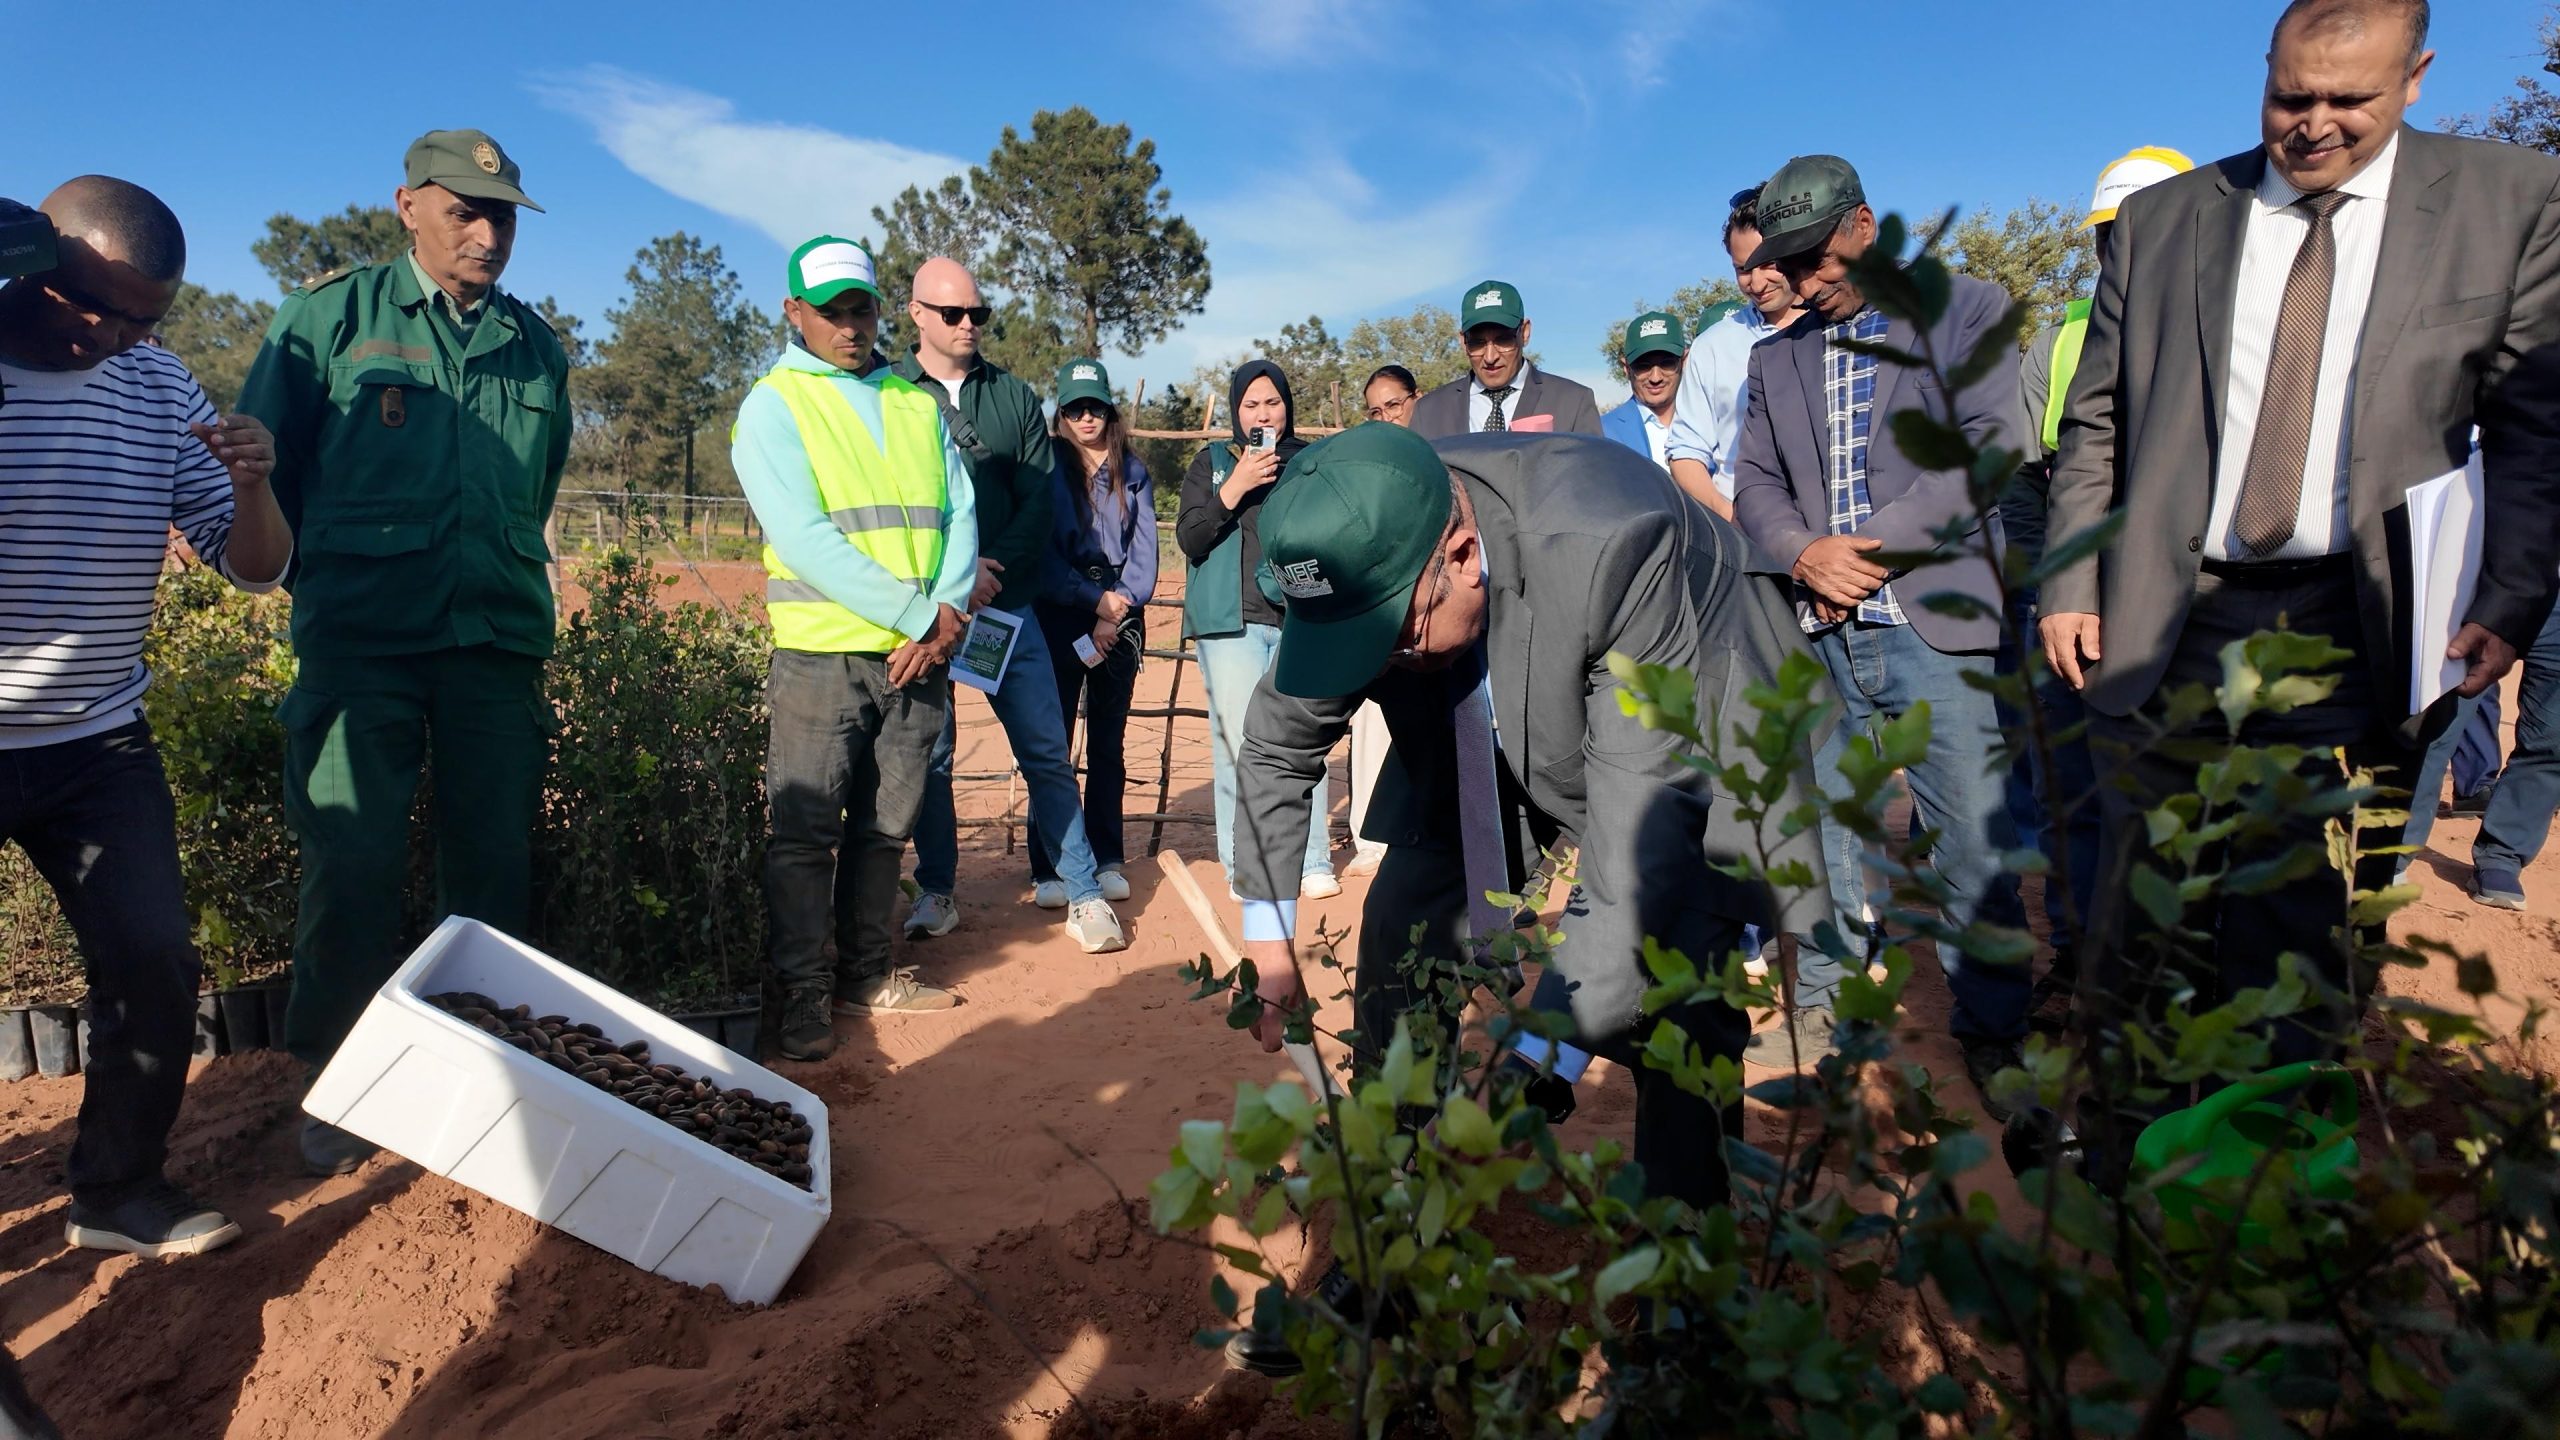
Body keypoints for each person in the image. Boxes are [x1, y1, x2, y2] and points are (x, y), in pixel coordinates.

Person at [1218, 425, 1834, 1371]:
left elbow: (1632, 866)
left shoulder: (1616, 543)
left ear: (1462, 556)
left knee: (1681, 990)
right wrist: (1269, 942)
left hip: (1696, 690)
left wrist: (1531, 1067)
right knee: (1401, 938)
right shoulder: (1358, 547)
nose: (1372, 661)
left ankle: (1685, 1294)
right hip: (1480, 709)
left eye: (1385, 638)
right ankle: (1393, 1251)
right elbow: (1274, 746)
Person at [2041, 0, 2560, 1069]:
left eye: (2349, 99)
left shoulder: (2508, 203)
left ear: (2415, 77)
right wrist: (2071, 581)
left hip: (2356, 623)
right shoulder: (2165, 220)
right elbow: (2097, 420)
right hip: (2165, 620)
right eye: (2290, 96)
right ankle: (2137, 1140)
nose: (2314, 123)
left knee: (2301, 932)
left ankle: (2274, 1148)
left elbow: (2532, 428)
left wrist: (2510, 595)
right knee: (2148, 921)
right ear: (2265, 73)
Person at [236, 130, 573, 1176]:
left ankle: (479, 1071)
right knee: (354, 864)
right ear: (407, 205)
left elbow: (536, 484)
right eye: (464, 210)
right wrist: (331, 574)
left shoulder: (533, 346)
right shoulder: (327, 322)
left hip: (493, 641)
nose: (487, 233)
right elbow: (264, 472)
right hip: (361, 646)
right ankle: (339, 1083)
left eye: (501, 214)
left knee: (491, 868)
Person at [0, 176, 290, 1256]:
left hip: (96, 741)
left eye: (140, 320)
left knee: (154, 959)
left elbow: (252, 569)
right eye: (92, 307)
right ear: (34, 263)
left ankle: (118, 1190)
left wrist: (252, 487)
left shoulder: (158, 384)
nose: (112, 337)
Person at [1728, 153, 2034, 1117]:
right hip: (1818, 634)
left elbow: (1986, 448)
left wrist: (1865, 551)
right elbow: (1753, 482)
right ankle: (1828, 1016)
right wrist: (1804, 554)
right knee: (1824, 838)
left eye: (1815, 258)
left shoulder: (1967, 310)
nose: (1802, 280)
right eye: (1786, 265)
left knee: (1969, 839)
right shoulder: (1773, 357)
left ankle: (1995, 1028)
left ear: (1864, 225)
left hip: (1935, 629)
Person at [731, 236, 980, 1060]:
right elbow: (803, 538)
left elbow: (960, 513)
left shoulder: (915, 403)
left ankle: (867, 974)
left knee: (884, 829)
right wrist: (918, 616)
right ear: (793, 312)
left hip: (918, 656)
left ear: (881, 309)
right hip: (824, 657)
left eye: (861, 309)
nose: (849, 326)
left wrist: (944, 614)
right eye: (831, 311)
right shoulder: (774, 405)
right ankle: (803, 993)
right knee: (805, 835)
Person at [2006, 146, 2194, 1020]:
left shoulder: (2232, 326)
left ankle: (2169, 977)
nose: (2123, 249)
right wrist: (2053, 592)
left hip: (2188, 610)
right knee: (2073, 796)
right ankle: (2079, 960)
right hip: (2074, 609)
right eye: (2110, 234)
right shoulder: (2060, 342)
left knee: (2176, 795)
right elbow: (2026, 483)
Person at [896, 262, 1126, 952]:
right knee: (931, 757)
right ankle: (936, 891)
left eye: (978, 313)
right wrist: (951, 580)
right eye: (953, 313)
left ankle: (1082, 892)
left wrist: (984, 573)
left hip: (1005, 606)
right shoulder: (886, 391)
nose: (968, 324)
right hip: (921, 611)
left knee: (1044, 750)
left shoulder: (1013, 397)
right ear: (916, 314)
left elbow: (1037, 501)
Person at [1175, 361, 1338, 897]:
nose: (1262, 415)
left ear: (1287, 407)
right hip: (1232, 621)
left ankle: (1310, 861)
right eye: (1251, 405)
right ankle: (1243, 867)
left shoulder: (1312, 462)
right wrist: (1235, 487)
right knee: (1237, 746)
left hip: (1301, 620)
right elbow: (1190, 539)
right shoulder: (1213, 462)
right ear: (1236, 410)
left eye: (1272, 403)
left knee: (1304, 739)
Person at [1032, 358, 1157, 902]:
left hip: (1120, 620)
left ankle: (1107, 858)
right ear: (1061, 414)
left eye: (1096, 407)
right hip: (1060, 615)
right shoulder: (1045, 470)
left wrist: (1114, 609)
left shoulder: (1134, 471)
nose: (1087, 417)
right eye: (1075, 408)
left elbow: (1144, 555)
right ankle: (1049, 866)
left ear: (1110, 410)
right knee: (1052, 743)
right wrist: (1092, 600)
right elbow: (1040, 555)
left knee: (1108, 743)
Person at [1666, 187, 1809, 520]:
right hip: (1746, 535)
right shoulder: (1712, 347)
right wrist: (1729, 516)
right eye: (1743, 269)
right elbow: (1686, 451)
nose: (1756, 283)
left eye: (1768, 264)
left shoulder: (1836, 328)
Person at [1409, 281, 1603, 439]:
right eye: (1477, 343)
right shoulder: (1429, 411)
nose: (1490, 357)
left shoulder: (1572, 402)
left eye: (1503, 340)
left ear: (1524, 332)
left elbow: (1592, 473)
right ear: (1462, 341)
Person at [1600, 311, 1685, 470]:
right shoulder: (1602, 432)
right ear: (1626, 368)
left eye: (1666, 363)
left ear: (1684, 361)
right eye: (1643, 366)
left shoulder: (1709, 421)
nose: (1655, 377)